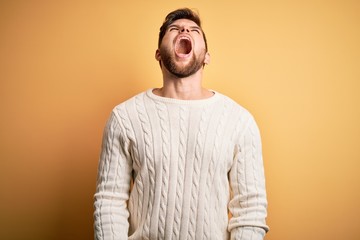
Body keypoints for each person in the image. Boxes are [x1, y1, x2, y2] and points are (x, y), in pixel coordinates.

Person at [94, 8, 269, 240]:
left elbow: (250, 209)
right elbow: (109, 201)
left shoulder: (239, 121)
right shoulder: (125, 117)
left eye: (194, 30)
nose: (185, 29)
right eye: (174, 29)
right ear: (158, 53)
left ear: (207, 55)